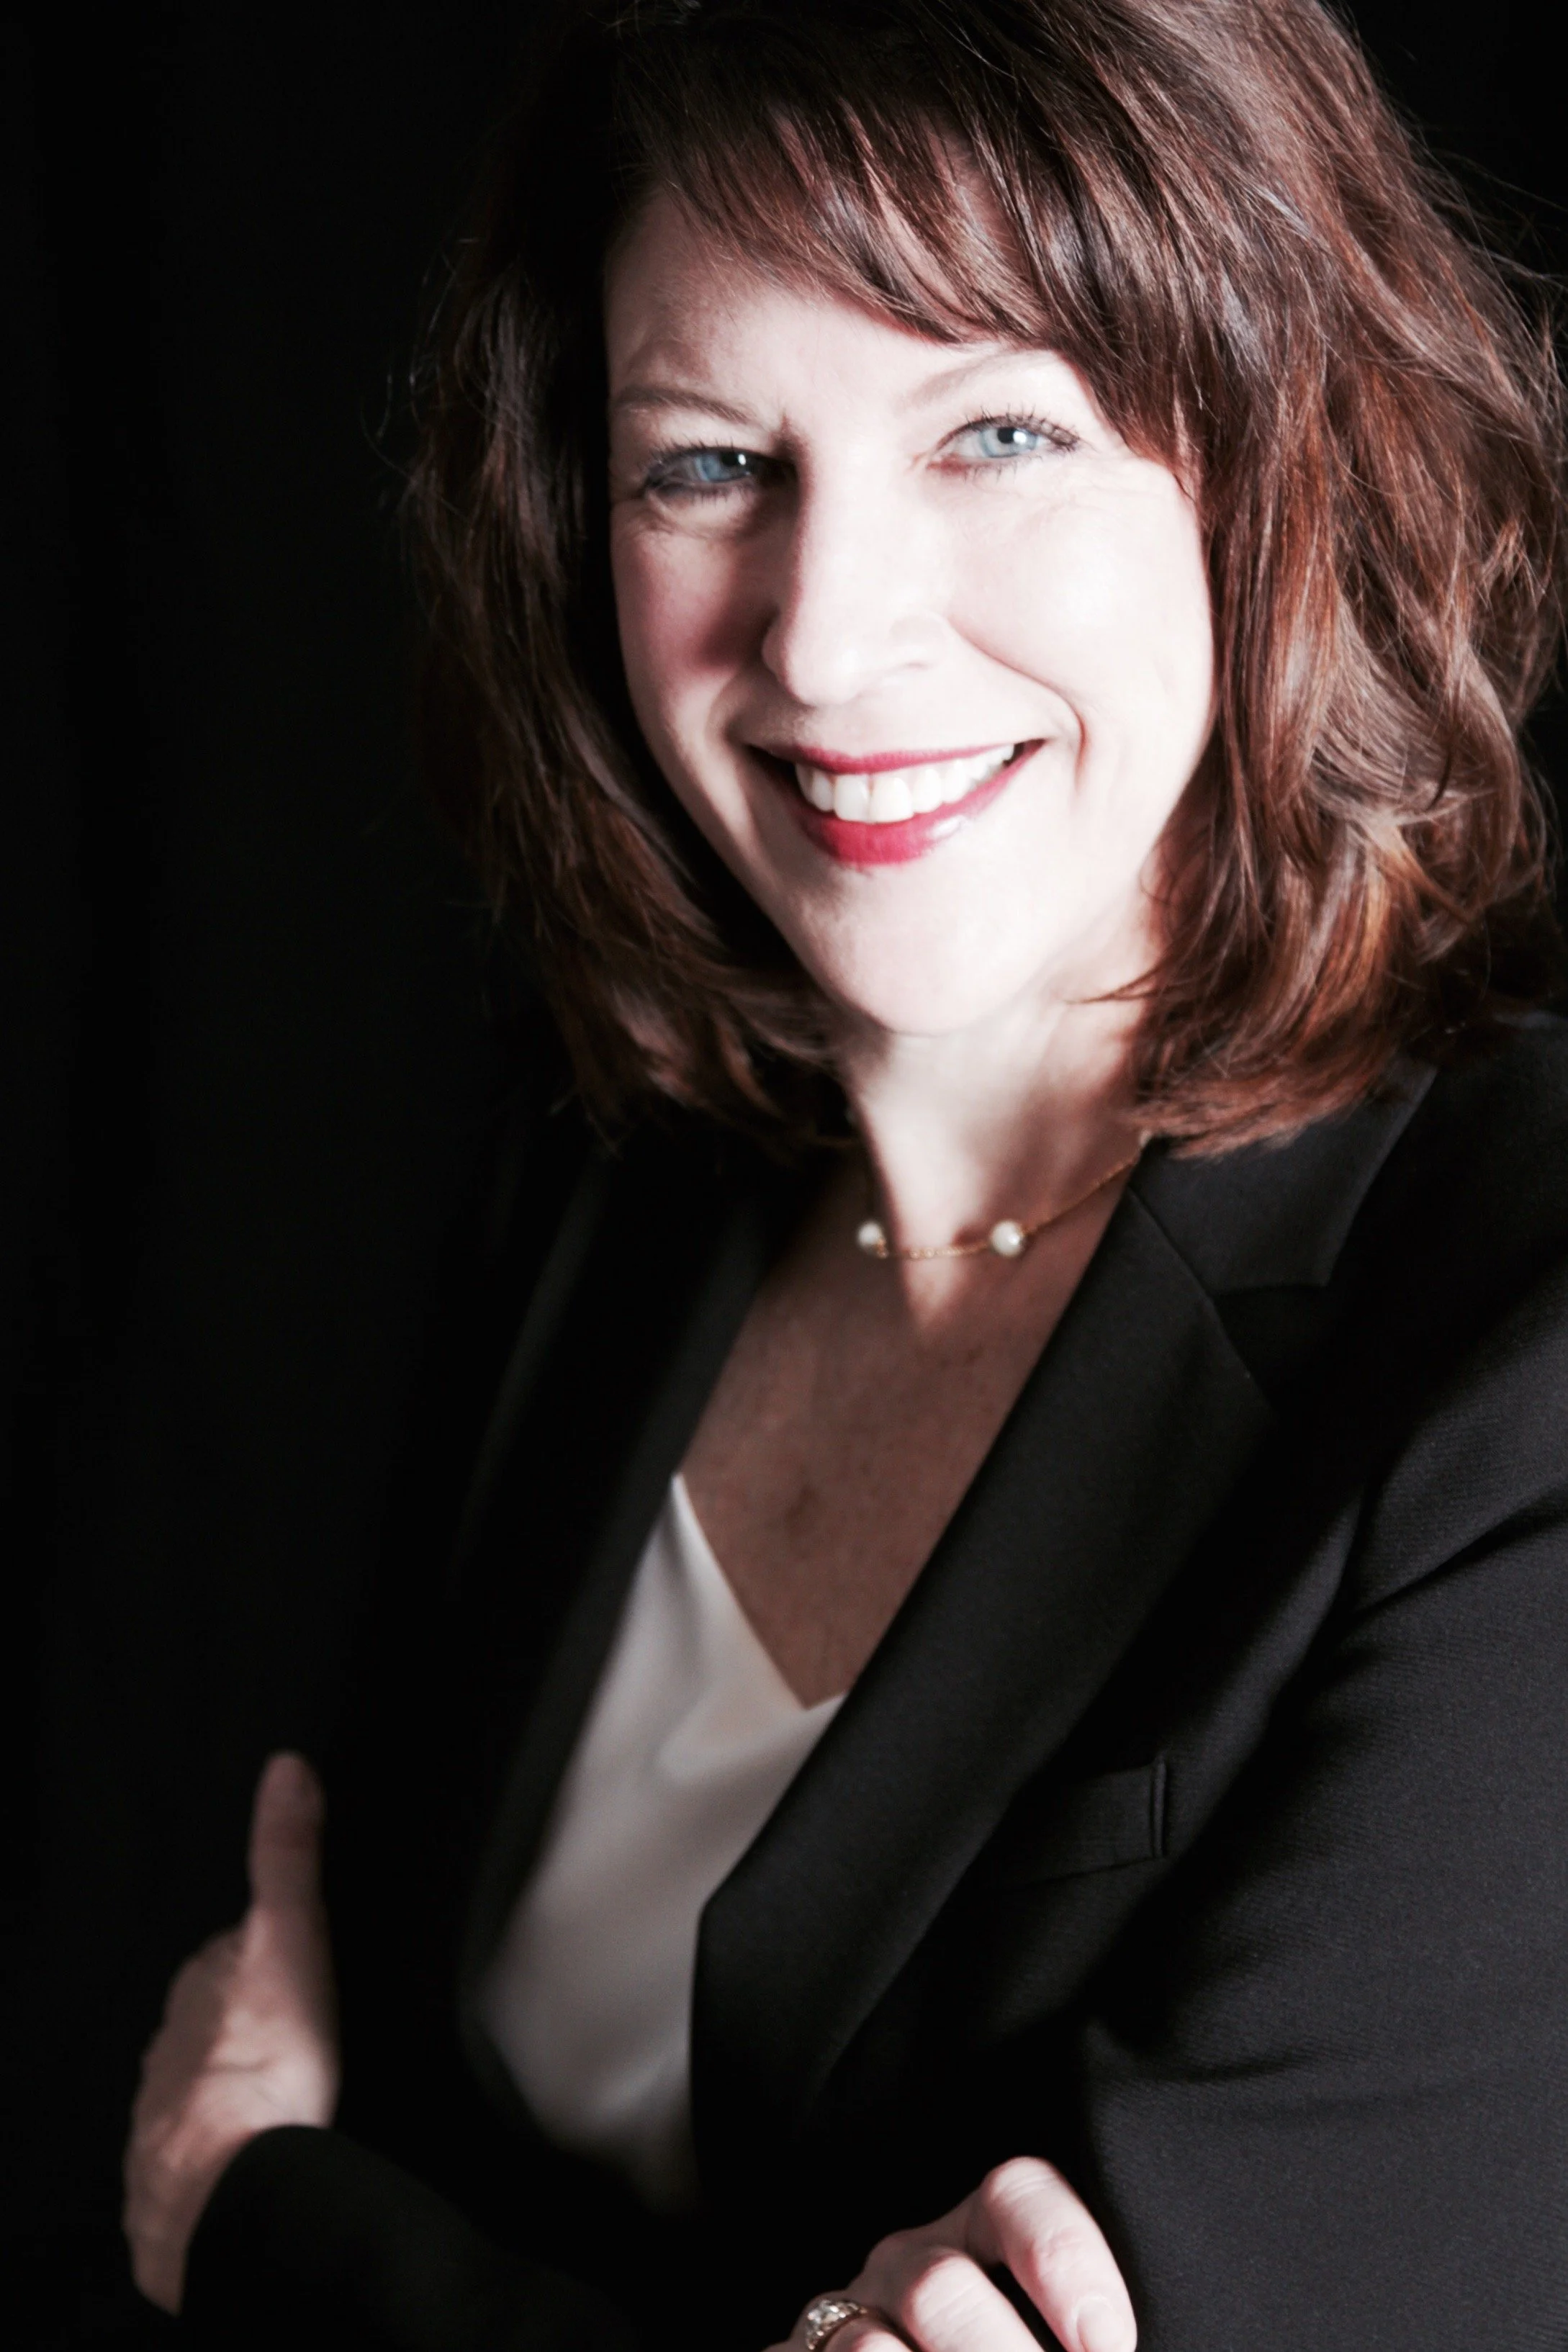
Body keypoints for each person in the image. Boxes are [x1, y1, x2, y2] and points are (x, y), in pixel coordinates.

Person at [122, 1, 1568, 2346]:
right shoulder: (610, 1172)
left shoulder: (1522, 1349)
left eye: (995, 429)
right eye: (707, 464)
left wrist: (264, 2228)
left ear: (1278, 451)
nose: (825, 634)